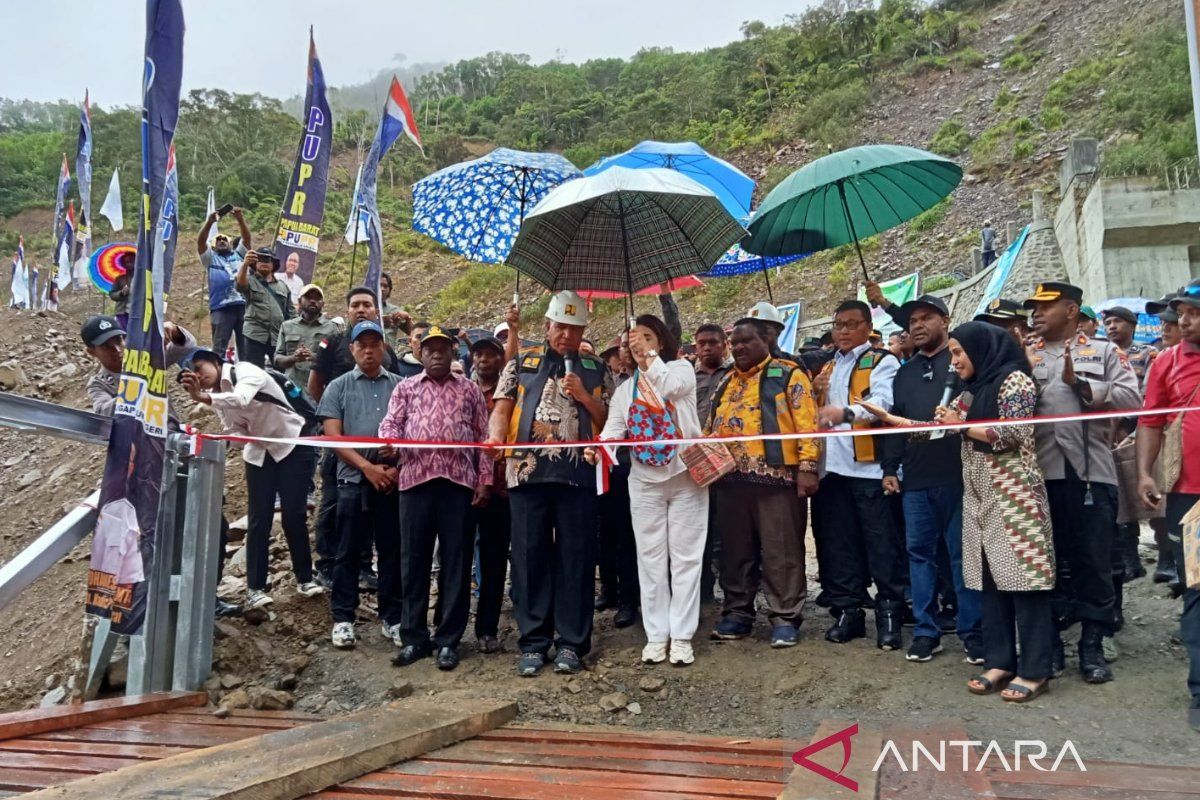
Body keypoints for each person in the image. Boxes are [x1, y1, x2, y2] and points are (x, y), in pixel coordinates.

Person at [880, 321, 1056, 701]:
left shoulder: (1016, 382)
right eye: (954, 353)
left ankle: (1036, 669)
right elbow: (938, 429)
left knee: (1025, 584)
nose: (954, 361)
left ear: (983, 349)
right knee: (990, 582)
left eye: (959, 353)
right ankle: (1000, 661)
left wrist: (960, 425)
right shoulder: (968, 392)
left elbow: (1012, 433)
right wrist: (892, 421)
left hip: (1015, 498)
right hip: (979, 497)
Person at [485, 291, 612, 677]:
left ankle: (572, 643)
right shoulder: (521, 363)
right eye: (560, 327)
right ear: (547, 327)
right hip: (526, 473)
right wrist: (495, 439)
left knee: (576, 558)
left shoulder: (594, 367)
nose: (566, 336)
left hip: (578, 475)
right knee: (528, 556)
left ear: (583, 331)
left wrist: (584, 397)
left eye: (574, 330)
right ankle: (534, 641)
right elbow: (501, 409)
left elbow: (610, 421)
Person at [1024, 282, 1141, 684]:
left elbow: (1133, 402)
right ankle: (1051, 646)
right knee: (1047, 565)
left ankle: (1092, 646)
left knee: (1094, 563)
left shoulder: (1106, 352)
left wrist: (1084, 386)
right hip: (1039, 475)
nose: (1036, 314)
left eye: (1045, 307)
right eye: (1033, 308)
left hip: (1091, 475)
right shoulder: (1027, 355)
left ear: (1071, 310)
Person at [587, 315, 707, 665]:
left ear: (662, 341)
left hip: (686, 476)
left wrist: (651, 356)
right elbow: (613, 430)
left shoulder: (681, 369)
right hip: (644, 483)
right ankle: (657, 635)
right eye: (633, 340)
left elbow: (668, 387)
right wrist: (599, 446)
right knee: (651, 559)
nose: (639, 344)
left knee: (686, 559)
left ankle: (682, 636)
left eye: (647, 336)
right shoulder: (624, 392)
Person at [876, 295, 983, 664]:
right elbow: (894, 422)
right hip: (916, 480)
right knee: (919, 555)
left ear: (945, 320)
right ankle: (925, 631)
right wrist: (890, 468)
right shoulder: (904, 372)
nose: (917, 326)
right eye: (912, 321)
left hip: (959, 476)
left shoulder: (962, 364)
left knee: (960, 557)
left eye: (926, 318)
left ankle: (973, 632)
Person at [379, 325, 492, 671]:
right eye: (430, 349)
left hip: (458, 484)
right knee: (413, 561)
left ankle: (448, 640)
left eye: (443, 348)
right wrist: (388, 444)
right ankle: (414, 637)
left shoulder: (470, 390)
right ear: (421, 354)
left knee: (456, 563)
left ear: (454, 352)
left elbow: (483, 437)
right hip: (414, 483)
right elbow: (390, 425)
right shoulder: (405, 388)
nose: (437, 354)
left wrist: (485, 480)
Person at [178, 348, 323, 609]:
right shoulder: (215, 396)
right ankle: (255, 589)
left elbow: (242, 399)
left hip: (291, 443)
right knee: (259, 518)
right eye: (194, 374)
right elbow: (235, 430)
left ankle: (305, 578)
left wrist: (202, 397)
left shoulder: (246, 371)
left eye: (201, 369)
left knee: (294, 514)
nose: (200, 377)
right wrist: (212, 440)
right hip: (258, 452)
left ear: (215, 361)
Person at [706, 318, 819, 647]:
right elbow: (711, 426)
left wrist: (808, 466)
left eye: (747, 341)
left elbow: (807, 424)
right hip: (730, 481)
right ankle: (738, 612)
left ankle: (785, 616)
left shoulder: (788, 374)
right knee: (735, 551)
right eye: (735, 342)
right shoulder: (725, 382)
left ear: (766, 340)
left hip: (778, 480)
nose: (739, 347)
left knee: (780, 549)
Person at [812, 299, 904, 650]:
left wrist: (844, 414)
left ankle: (890, 614)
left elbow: (884, 403)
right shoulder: (829, 365)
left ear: (868, 326)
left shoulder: (882, 360)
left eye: (852, 324)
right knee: (840, 545)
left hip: (868, 469)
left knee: (881, 545)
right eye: (838, 325)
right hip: (832, 469)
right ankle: (848, 612)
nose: (844, 331)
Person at [1136, 278, 1200, 730]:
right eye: (1181, 313)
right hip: (1189, 496)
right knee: (1198, 588)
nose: (1183, 321)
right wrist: (1144, 472)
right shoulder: (1166, 363)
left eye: (1193, 313)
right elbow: (1151, 422)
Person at [315, 320, 403, 650]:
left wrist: (396, 459)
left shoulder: (400, 385)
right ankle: (343, 619)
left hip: (392, 479)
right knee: (347, 551)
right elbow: (334, 438)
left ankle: (392, 618)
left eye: (374, 344)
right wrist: (367, 467)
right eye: (362, 344)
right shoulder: (337, 387)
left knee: (392, 551)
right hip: (351, 480)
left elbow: (409, 431)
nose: (368, 350)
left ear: (383, 348)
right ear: (352, 349)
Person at [308, 286, 400, 588]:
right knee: (334, 504)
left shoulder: (390, 357)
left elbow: (401, 399)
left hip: (384, 461)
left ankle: (363, 566)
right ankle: (327, 562)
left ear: (376, 309)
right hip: (342, 447)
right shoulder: (333, 340)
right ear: (347, 310)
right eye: (356, 305)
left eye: (367, 305)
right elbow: (315, 384)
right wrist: (336, 411)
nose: (361, 309)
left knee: (376, 514)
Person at [468, 334, 511, 654]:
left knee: (495, 561)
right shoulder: (462, 391)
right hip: (464, 487)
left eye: (490, 355)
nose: (484, 360)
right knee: (457, 560)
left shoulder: (511, 393)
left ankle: (487, 628)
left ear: (501, 360)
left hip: (503, 489)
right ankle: (448, 625)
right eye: (478, 354)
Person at [692, 322, 733, 604]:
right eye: (702, 343)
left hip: (728, 461)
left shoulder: (733, 374)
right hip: (694, 462)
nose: (707, 348)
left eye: (713, 343)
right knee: (698, 530)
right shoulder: (685, 377)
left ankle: (733, 590)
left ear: (724, 345)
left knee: (729, 530)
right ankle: (703, 590)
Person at [197, 207, 252, 356]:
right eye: (218, 239)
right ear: (213, 246)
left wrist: (240, 219)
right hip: (221, 307)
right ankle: (216, 377)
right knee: (219, 348)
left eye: (224, 239)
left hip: (243, 306)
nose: (221, 241)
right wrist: (209, 222)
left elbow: (247, 239)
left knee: (246, 348)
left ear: (230, 243)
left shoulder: (239, 254)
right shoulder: (210, 257)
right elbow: (201, 241)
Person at [275, 284, 341, 394]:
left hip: (319, 389)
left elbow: (337, 360)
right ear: (300, 301)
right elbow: (277, 359)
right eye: (308, 298)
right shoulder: (287, 326)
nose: (313, 301)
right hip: (292, 388)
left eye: (317, 299)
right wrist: (294, 358)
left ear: (323, 304)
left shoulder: (332, 328)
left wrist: (315, 357)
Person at [236, 248, 292, 368]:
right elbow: (240, 284)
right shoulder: (250, 281)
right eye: (260, 259)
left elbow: (291, 312)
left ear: (273, 264)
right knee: (254, 372)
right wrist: (245, 263)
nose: (264, 262)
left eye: (267, 259)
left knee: (281, 371)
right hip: (254, 335)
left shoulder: (283, 286)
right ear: (255, 264)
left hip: (277, 336)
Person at [379, 272, 412, 351]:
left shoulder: (394, 311)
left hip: (390, 357)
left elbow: (413, 333)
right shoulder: (362, 308)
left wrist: (407, 318)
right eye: (379, 285)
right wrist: (378, 321)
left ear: (389, 290)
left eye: (385, 286)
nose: (382, 289)